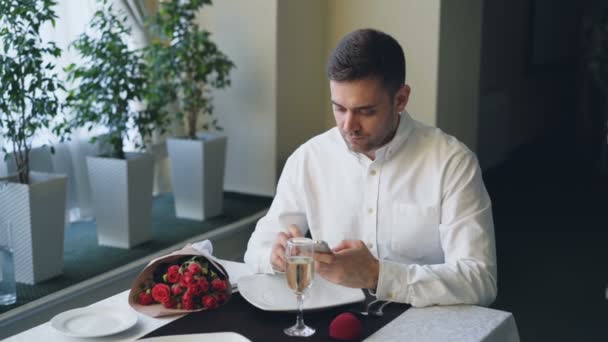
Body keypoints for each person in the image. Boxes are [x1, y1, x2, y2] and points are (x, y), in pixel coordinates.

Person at [244, 28, 497, 307]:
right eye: (339, 108)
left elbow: (480, 280)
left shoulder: (452, 163)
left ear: (400, 99)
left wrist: (379, 275)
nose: (348, 126)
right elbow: (256, 249)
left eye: (365, 111)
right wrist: (274, 255)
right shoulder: (308, 159)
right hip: (331, 323)